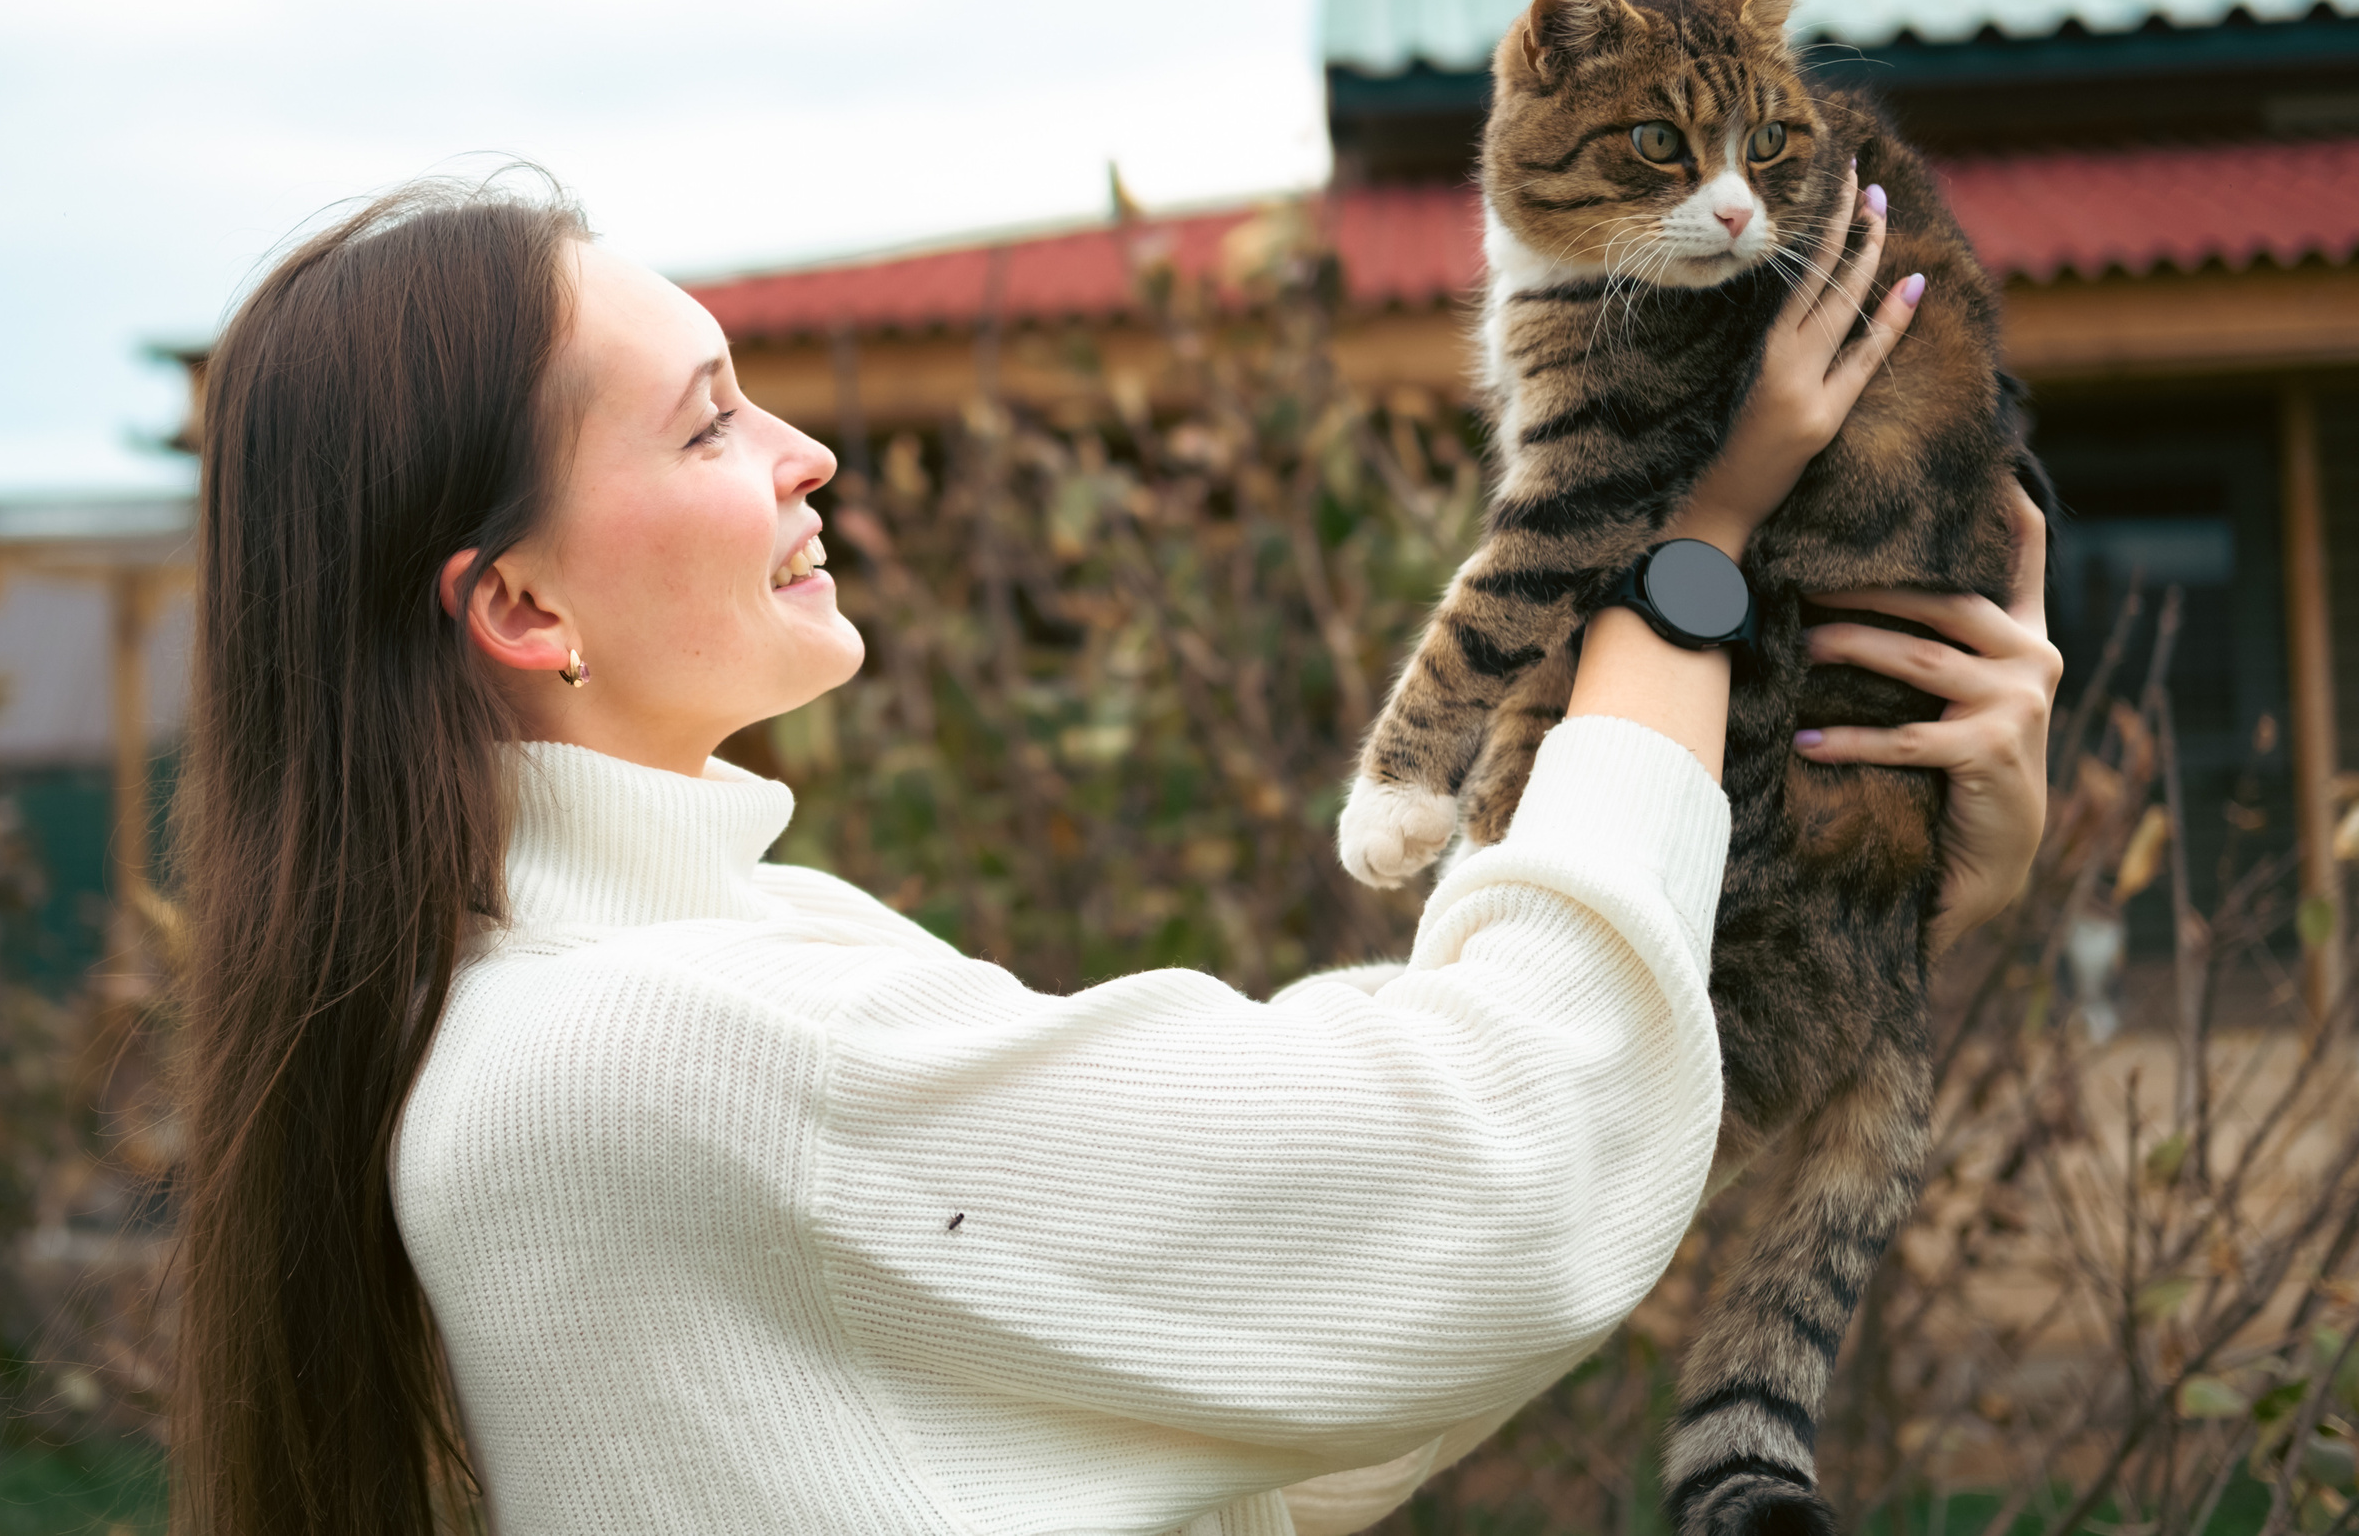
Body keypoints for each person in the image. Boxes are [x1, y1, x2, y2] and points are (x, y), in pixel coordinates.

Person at [166, 173, 2059, 1536]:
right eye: (710, 421)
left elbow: (1305, 1374)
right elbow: (1486, 1158)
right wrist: (1691, 561)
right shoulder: (679, 1049)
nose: (806, 450)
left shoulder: (649, 983)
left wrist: (1837, 900)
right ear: (519, 605)